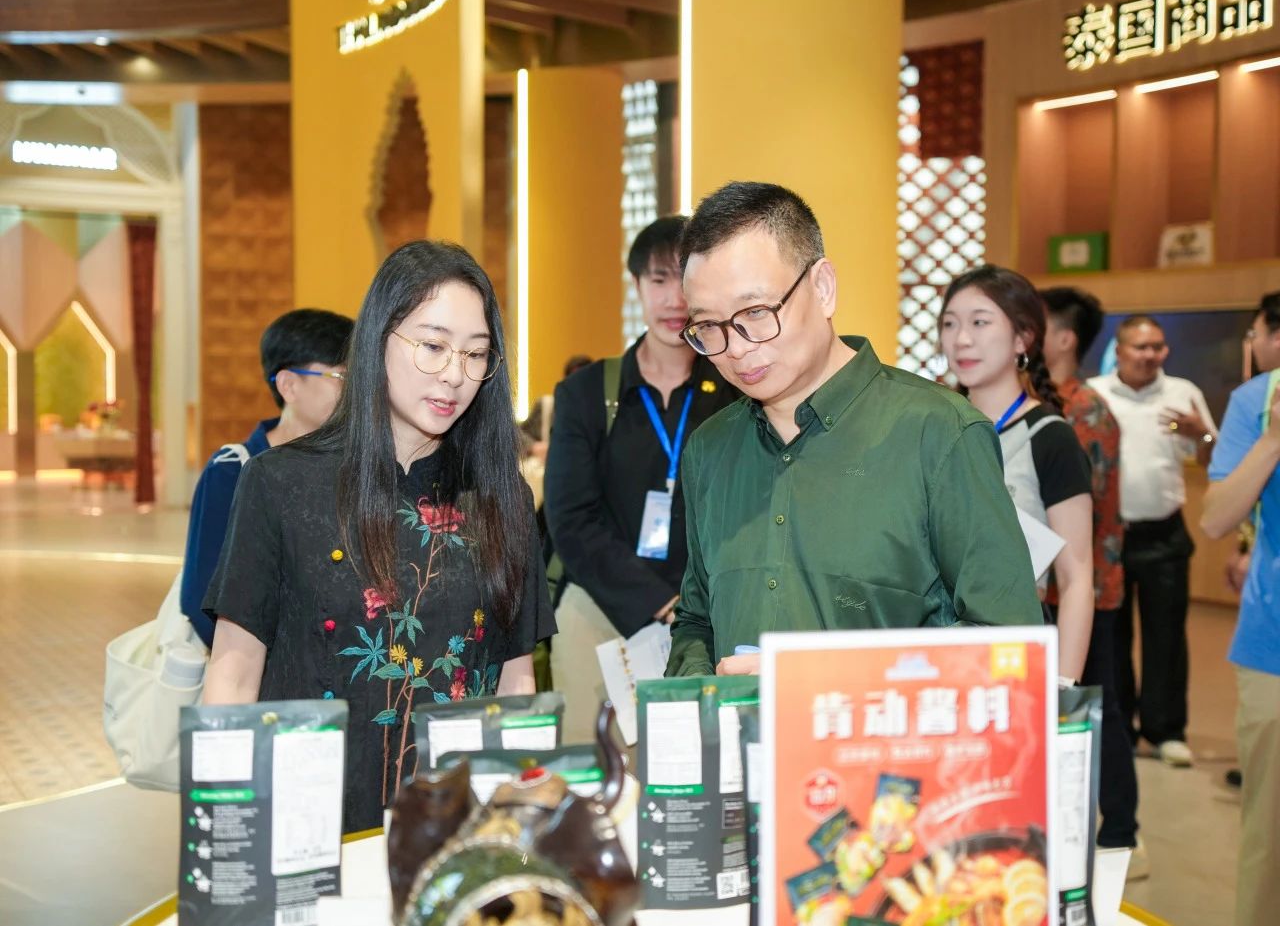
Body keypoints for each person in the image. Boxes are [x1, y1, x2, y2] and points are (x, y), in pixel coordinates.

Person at [201, 241, 555, 832]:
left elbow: (515, 680)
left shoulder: (502, 498)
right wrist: (224, 825)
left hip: (451, 824)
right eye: (433, 346)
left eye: (475, 354)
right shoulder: (280, 483)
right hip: (309, 819)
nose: (455, 375)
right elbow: (233, 675)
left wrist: (518, 828)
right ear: (377, 340)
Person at [666, 182, 1042, 680]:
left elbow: (1008, 645)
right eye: (708, 327)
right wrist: (697, 691)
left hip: (888, 731)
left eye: (755, 313)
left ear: (822, 288)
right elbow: (696, 619)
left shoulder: (939, 433)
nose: (735, 348)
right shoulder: (710, 449)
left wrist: (809, 677)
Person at [544, 215, 738, 741]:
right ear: (636, 286)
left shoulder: (737, 389)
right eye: (658, 280)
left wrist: (688, 605)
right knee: (594, 762)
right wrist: (655, 600)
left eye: (684, 280)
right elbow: (570, 518)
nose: (673, 299)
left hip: (705, 612)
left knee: (692, 764)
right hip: (598, 607)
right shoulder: (587, 393)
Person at [940, 268, 1093, 684]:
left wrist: (1063, 687)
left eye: (979, 322)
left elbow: (1076, 578)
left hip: (1014, 652)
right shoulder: (932, 428)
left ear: (1023, 338)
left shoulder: (1049, 437)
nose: (961, 339)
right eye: (950, 324)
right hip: (935, 645)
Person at [1041, 285, 1143, 875]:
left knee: (1098, 711)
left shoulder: (1085, 412)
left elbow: (1087, 511)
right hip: (1046, 586)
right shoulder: (1043, 401)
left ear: (1063, 339)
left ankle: (1121, 831)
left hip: (1089, 591)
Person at [1088, 315, 1218, 767]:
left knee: (1167, 636)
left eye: (1157, 347)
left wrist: (1200, 434)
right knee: (1112, 636)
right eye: (1140, 347)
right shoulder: (1095, 395)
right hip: (1108, 535)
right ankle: (1119, 727)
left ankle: (1167, 731)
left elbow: (1214, 456)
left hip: (1165, 532)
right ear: (1119, 350)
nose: (1150, 355)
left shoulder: (1183, 393)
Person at [179, 308, 353, 647]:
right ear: (289, 385)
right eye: (342, 377)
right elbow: (200, 599)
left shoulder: (358, 468)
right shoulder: (231, 471)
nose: (356, 391)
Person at [1200, 291, 1280, 926]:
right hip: (1271, 644)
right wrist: (1273, 439)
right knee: (1270, 834)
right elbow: (1216, 518)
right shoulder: (1256, 401)